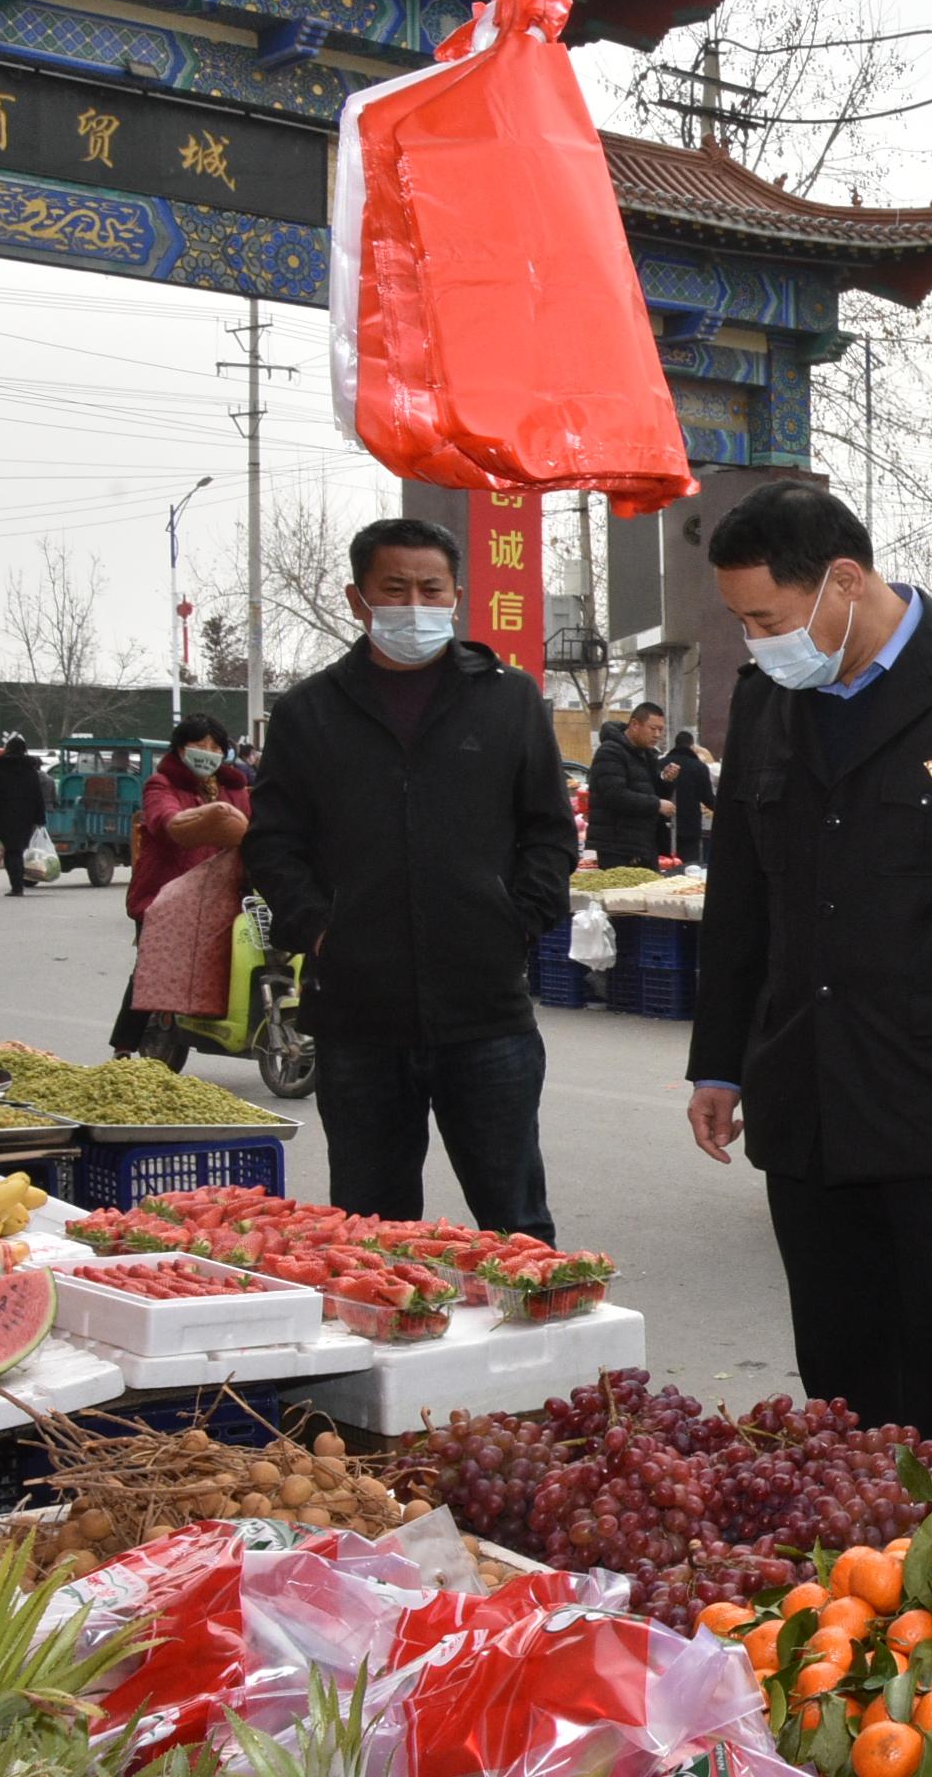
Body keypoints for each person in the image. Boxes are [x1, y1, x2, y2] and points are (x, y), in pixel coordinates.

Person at [685, 482, 932, 1463]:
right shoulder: (768, 699)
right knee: (839, 1384)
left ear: (843, 581)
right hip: (807, 1092)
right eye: (742, 623)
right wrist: (720, 1062)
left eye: (768, 619)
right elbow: (740, 899)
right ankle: (859, 1548)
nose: (756, 642)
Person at [243, 518, 578, 1239]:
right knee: (371, 1229)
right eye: (395, 589)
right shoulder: (309, 711)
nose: (416, 606)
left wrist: (516, 922)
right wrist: (320, 929)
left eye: (432, 589)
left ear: (457, 594)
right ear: (358, 599)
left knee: (516, 1222)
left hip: (485, 1011)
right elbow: (273, 845)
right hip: (358, 1016)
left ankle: (533, 1317)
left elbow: (550, 831)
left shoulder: (508, 698)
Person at [106, 716, 251, 1056]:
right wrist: (188, 823)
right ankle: (125, 1046)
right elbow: (163, 818)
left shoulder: (235, 789)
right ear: (181, 749)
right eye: (199, 746)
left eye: (215, 747)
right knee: (152, 970)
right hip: (166, 895)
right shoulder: (162, 784)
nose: (208, 753)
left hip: (221, 894)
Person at [587, 702, 673, 870]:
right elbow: (615, 795)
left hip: (643, 843)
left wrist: (666, 780)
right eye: (653, 729)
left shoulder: (647, 754)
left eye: (661, 730)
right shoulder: (610, 751)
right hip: (618, 846)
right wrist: (656, 805)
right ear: (634, 724)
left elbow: (653, 792)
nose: (657, 735)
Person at [0, 734, 47, 897]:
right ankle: (18, 883)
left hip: (2, 816)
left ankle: (17, 885)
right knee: (17, 850)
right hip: (26, 817)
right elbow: (38, 796)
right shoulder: (30, 771)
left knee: (11, 851)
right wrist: (40, 819)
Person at [664, 728, 715, 867]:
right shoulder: (699, 767)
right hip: (690, 826)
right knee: (689, 866)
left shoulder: (661, 763)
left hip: (664, 827)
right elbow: (708, 798)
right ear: (692, 746)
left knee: (665, 865)